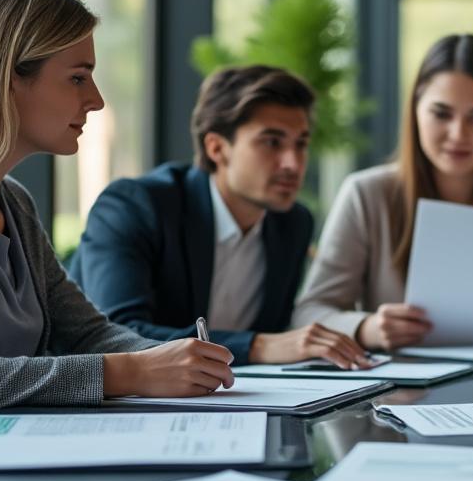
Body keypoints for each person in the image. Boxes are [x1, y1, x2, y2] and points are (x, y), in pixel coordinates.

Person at [0, 0, 234, 462]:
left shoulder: (15, 204)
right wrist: (128, 372)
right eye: (77, 78)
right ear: (6, 78)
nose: (96, 100)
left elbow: (88, 333)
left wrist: (173, 360)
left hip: (1, 467)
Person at [70, 65, 373, 368]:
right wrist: (257, 346)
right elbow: (119, 334)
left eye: (301, 144)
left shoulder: (292, 224)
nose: (293, 163)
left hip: (241, 397)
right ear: (217, 148)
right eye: (272, 142)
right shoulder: (135, 206)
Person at [293, 34, 473, 350]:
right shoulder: (367, 194)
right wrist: (367, 327)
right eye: (441, 114)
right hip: (396, 386)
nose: (459, 134)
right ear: (416, 111)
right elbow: (309, 313)